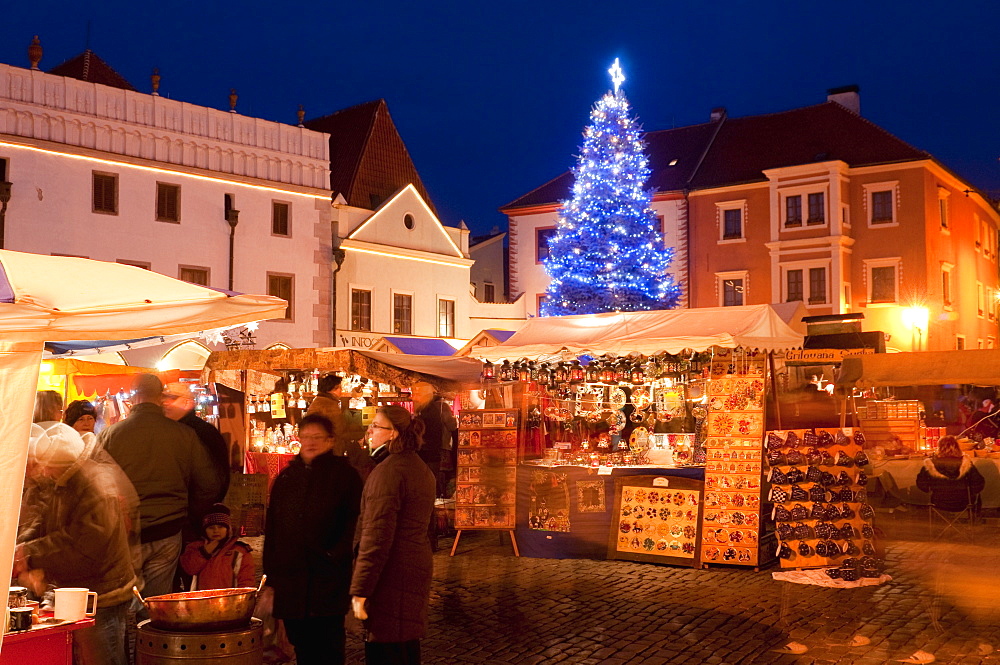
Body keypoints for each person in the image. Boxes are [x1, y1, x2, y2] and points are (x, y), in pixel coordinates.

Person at [16, 422, 139, 665]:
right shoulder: (65, 481)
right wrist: (21, 548)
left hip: (103, 594)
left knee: (103, 658)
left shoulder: (93, 486)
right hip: (82, 590)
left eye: (47, 466)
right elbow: (45, 521)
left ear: (60, 465)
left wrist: (29, 553)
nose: (43, 471)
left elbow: (85, 545)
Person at [99, 373, 220, 598]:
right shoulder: (184, 434)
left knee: (119, 601)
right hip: (168, 527)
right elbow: (208, 484)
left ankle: (127, 632)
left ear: (134, 397)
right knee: (156, 602)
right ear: (160, 397)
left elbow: (95, 485)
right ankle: (149, 630)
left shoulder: (109, 435)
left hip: (124, 531)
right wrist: (188, 514)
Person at [263, 414, 362, 665]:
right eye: (306, 436)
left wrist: (334, 554)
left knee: (327, 645)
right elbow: (273, 529)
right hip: (292, 580)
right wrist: (271, 576)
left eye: (317, 437)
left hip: (327, 578)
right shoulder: (287, 478)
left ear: (330, 441)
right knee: (301, 645)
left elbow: (354, 523)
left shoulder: (344, 476)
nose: (311, 442)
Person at [351, 405, 436, 664]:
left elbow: (376, 537)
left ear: (393, 434)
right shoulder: (417, 467)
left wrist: (361, 589)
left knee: (387, 648)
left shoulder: (388, 472)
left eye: (376, 426)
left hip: (391, 574)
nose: (370, 430)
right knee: (406, 644)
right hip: (412, 565)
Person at [162, 381, 230, 503]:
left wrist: (196, 510)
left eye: (172, 398)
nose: (165, 402)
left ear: (187, 402)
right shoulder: (167, 431)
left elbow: (215, 479)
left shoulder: (203, 432)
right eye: (164, 398)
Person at [307, 373, 374, 480]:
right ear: (333, 389)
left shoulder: (320, 401)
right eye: (340, 388)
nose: (341, 391)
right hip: (328, 453)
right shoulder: (328, 405)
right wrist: (362, 434)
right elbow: (339, 431)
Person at [179, 503, 254, 590]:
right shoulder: (195, 548)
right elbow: (189, 568)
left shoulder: (239, 551)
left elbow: (246, 580)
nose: (216, 531)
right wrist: (204, 553)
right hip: (201, 601)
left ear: (227, 529)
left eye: (220, 527)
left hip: (230, 601)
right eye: (211, 527)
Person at [916, 435, 987, 512]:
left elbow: (921, 484)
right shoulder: (966, 464)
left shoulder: (930, 464)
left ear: (939, 447)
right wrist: (970, 493)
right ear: (957, 447)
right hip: (963, 502)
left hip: (938, 502)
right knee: (977, 496)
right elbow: (978, 483)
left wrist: (931, 490)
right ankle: (974, 517)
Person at [411, 381, 457, 497]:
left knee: (433, 480)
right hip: (433, 450)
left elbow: (448, 427)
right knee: (434, 479)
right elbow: (451, 426)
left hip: (433, 450)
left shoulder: (435, 408)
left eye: (417, 394)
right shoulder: (428, 408)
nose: (414, 397)